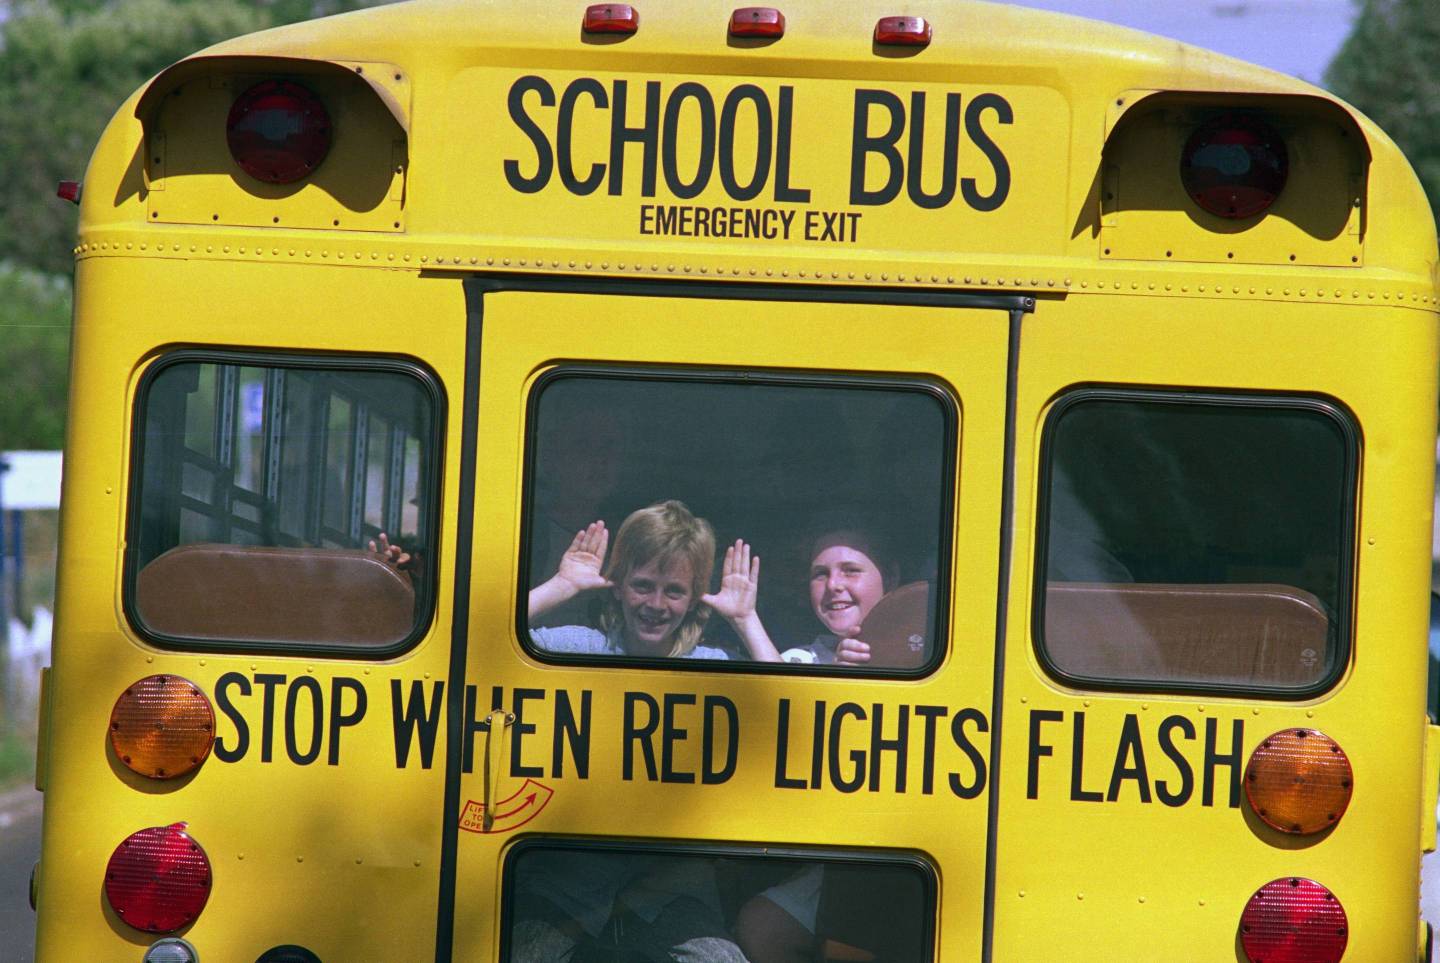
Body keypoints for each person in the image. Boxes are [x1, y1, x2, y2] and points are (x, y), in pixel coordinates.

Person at [527, 500, 780, 662]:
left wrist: (745, 620)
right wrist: (562, 586)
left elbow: (792, 699)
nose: (656, 604)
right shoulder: (579, 648)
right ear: (617, 586)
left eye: (674, 591)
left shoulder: (714, 664)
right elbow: (490, 636)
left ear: (693, 599)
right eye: (643, 586)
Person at [779, 528, 898, 667]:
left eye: (851, 570)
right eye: (821, 573)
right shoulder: (797, 660)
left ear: (890, 579)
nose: (832, 584)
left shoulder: (924, 655)